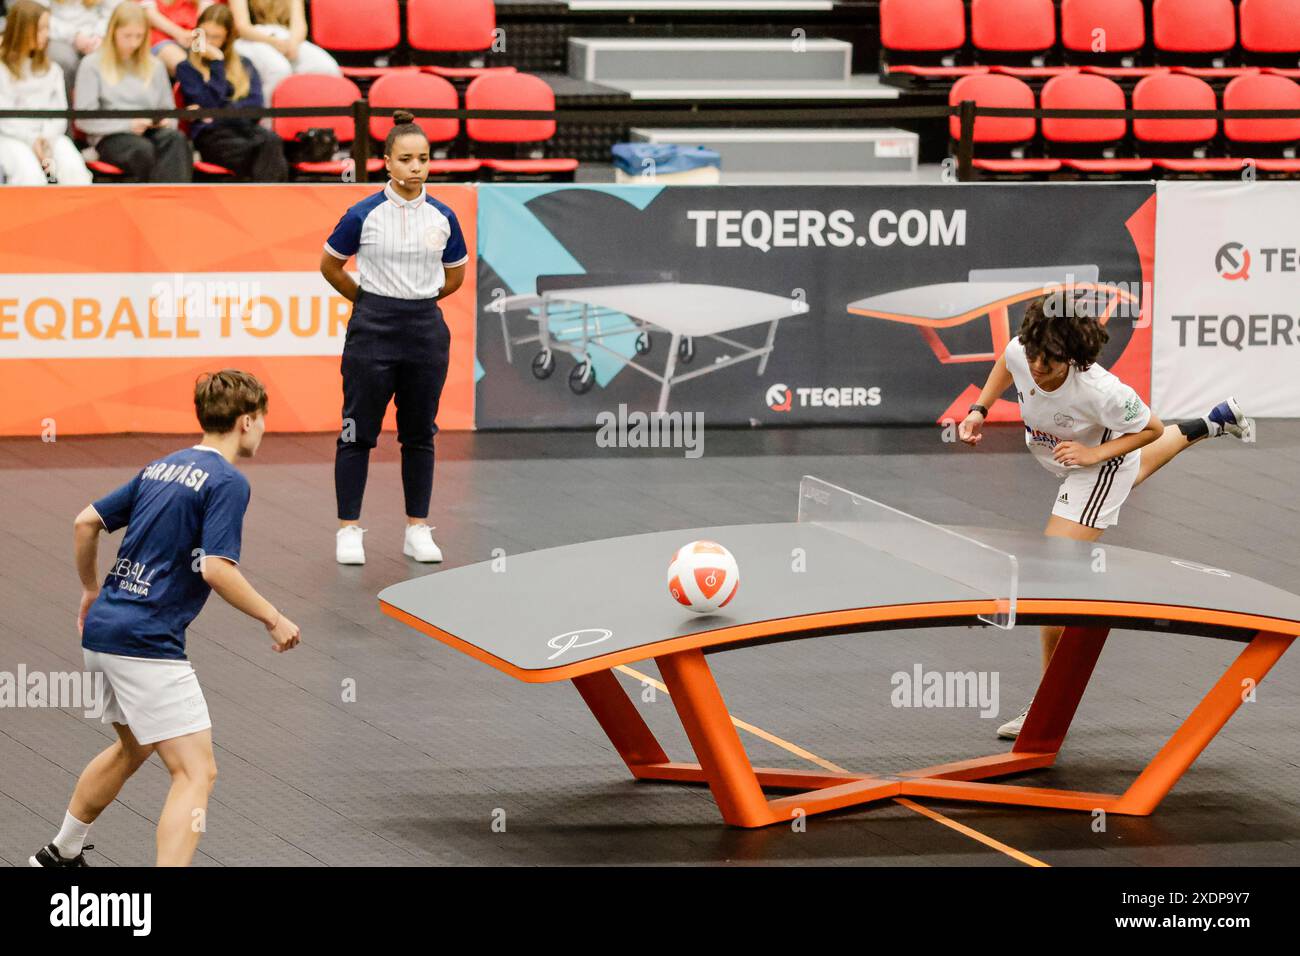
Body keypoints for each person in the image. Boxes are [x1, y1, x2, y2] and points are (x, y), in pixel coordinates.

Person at [30, 371, 301, 869]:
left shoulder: (162, 466)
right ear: (246, 422)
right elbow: (216, 568)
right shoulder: (227, 482)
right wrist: (273, 617)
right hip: (145, 641)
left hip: (104, 630)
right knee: (197, 772)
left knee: (134, 748)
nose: (262, 430)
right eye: (262, 421)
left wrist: (92, 590)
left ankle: (60, 853)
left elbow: (85, 521)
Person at [958, 293, 1255, 739]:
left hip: (1097, 465)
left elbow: (1149, 427)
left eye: (1051, 361)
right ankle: (1213, 421)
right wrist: (980, 409)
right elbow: (1007, 360)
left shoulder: (1103, 391)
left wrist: (1095, 453)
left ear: (1073, 358)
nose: (1038, 365)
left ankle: (1046, 707)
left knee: (1050, 577)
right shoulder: (1028, 349)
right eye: (1035, 353)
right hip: (1069, 457)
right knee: (1138, 470)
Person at [319, 110, 469, 566]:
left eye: (423, 159)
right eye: (406, 159)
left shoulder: (443, 216)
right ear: (386, 162)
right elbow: (330, 265)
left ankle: (417, 529)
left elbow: (455, 275)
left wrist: (418, 299)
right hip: (372, 330)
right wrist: (368, 301)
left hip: (425, 330)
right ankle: (349, 529)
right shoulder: (363, 213)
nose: (416, 167)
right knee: (356, 431)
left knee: (419, 433)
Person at [74, 1, 192, 181]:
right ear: (113, 32)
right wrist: (128, 124)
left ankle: (171, 202)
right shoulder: (92, 64)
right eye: (127, 36)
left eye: (139, 36)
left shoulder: (155, 65)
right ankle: (146, 203)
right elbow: (84, 120)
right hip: (110, 135)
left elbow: (169, 111)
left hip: (150, 131)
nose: (133, 43)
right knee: (142, 151)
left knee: (176, 141)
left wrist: (164, 121)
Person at [175, 1, 286, 181]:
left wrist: (220, 111)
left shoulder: (245, 64)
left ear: (227, 38)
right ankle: (267, 200)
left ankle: (264, 199)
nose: (208, 43)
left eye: (216, 37)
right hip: (212, 137)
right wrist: (217, 62)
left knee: (272, 140)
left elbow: (255, 106)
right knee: (262, 153)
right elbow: (208, 103)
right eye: (205, 36)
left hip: (244, 130)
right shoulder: (186, 68)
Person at [0, 0, 91, 184]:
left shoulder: (52, 70)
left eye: (47, 28)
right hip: (11, 138)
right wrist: (31, 140)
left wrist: (45, 138)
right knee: (31, 176)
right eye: (40, 29)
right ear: (21, 30)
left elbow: (59, 113)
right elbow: (5, 118)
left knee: (74, 169)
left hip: (49, 139)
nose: (46, 35)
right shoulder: (2, 70)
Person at [228, 0, 337, 104]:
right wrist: (273, 41)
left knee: (327, 68)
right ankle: (266, 120)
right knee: (279, 70)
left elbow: (299, 25)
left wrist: (293, 43)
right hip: (252, 38)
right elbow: (242, 27)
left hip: (286, 36)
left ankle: (319, 119)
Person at [43, 0, 119, 96]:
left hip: (95, 36)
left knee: (102, 60)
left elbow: (113, 12)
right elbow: (38, 12)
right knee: (63, 60)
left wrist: (98, 35)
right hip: (58, 36)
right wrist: (74, 35)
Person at [140, 0, 209, 76]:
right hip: (161, 38)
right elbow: (149, 14)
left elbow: (207, 8)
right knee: (186, 68)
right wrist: (180, 34)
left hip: (193, 36)